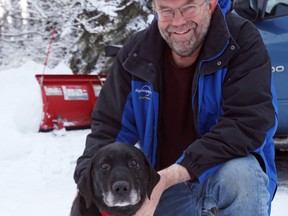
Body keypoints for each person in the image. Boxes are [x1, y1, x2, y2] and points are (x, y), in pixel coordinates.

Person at [74, 0, 278, 215]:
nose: (178, 21)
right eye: (166, 10)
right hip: (165, 187)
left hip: (215, 178)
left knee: (241, 175)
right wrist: (87, 179)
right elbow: (109, 129)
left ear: (210, 4)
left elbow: (247, 123)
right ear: (155, 9)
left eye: (189, 7)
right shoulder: (137, 52)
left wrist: (173, 174)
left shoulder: (241, 40)